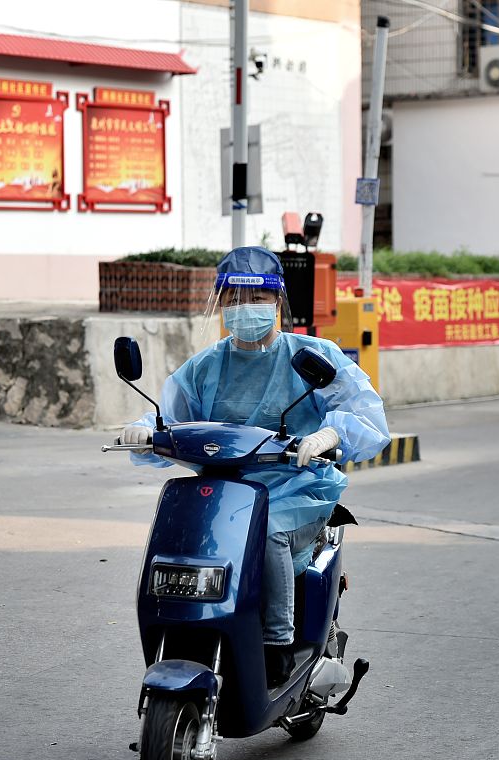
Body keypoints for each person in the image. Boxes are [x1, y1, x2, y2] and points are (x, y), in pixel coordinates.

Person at [121, 246, 390, 687]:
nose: (246, 309)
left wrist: (331, 434)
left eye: (258, 298)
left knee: (262, 532)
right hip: (224, 492)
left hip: (296, 488)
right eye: (233, 299)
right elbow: (170, 417)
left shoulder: (311, 357)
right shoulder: (204, 368)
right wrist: (142, 431)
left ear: (278, 302)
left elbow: (366, 414)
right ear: (222, 304)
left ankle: (277, 644)